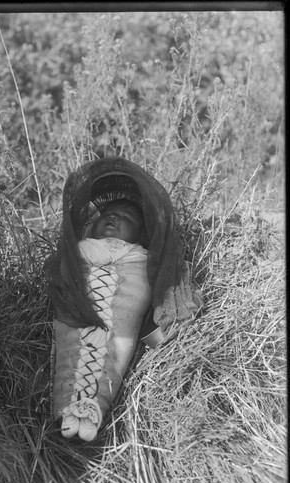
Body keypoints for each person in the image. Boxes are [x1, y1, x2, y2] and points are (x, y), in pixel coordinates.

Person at [46, 157, 203, 441]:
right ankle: (67, 407)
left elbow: (144, 310)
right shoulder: (77, 252)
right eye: (107, 214)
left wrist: (155, 338)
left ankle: (96, 406)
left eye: (127, 218)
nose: (114, 217)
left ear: (141, 236)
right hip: (76, 315)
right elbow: (61, 288)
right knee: (71, 350)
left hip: (121, 322)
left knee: (116, 346)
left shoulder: (144, 261)